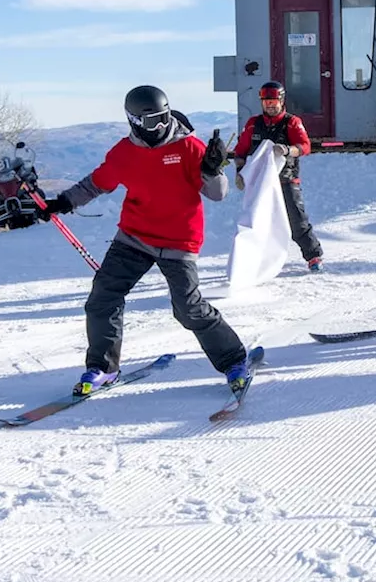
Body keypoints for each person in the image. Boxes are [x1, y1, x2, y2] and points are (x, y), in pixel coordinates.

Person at [37, 85, 253, 397]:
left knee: (188, 310)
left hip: (179, 241)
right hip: (135, 238)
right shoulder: (124, 153)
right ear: (135, 121)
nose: (162, 127)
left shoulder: (189, 148)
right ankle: (103, 368)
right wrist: (62, 203)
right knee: (102, 298)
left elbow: (218, 194)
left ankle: (234, 361)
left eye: (165, 118)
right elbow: (95, 184)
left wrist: (211, 169)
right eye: (153, 122)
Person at [231, 80, 323, 273]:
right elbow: (240, 151)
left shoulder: (292, 122)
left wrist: (288, 150)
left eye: (273, 101)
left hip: (286, 179)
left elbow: (305, 146)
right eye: (266, 101)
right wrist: (239, 172)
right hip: (260, 183)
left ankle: (313, 256)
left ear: (282, 101)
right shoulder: (252, 124)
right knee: (255, 222)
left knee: (297, 220)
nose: (270, 105)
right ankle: (254, 262)